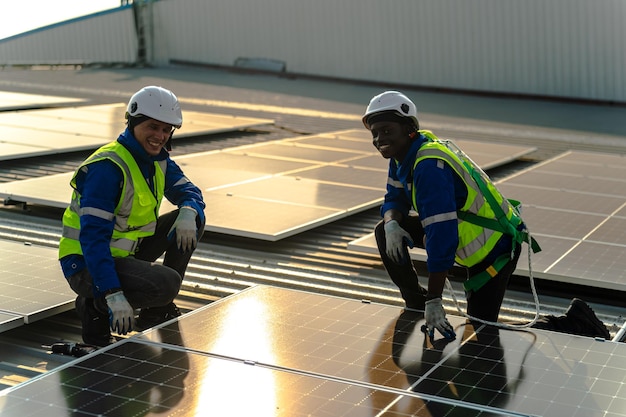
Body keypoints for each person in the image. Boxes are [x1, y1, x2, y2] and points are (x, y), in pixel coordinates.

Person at [363, 90, 610, 341]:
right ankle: (415, 302)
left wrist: (435, 300)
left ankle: (577, 323)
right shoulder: (401, 156)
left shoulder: (429, 166)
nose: (379, 139)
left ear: (408, 129)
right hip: (466, 238)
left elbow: (442, 238)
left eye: (386, 130)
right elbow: (394, 198)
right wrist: (392, 222)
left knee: (482, 334)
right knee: (384, 231)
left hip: (494, 250)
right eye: (374, 132)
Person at [58, 85, 206, 346]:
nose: (159, 136)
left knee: (191, 219)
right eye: (152, 126)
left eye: (165, 129)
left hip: (125, 254)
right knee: (166, 284)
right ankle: (95, 307)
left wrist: (189, 209)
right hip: (86, 263)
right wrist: (113, 294)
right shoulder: (108, 168)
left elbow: (190, 192)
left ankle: (155, 311)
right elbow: (93, 240)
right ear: (133, 122)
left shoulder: (157, 161)